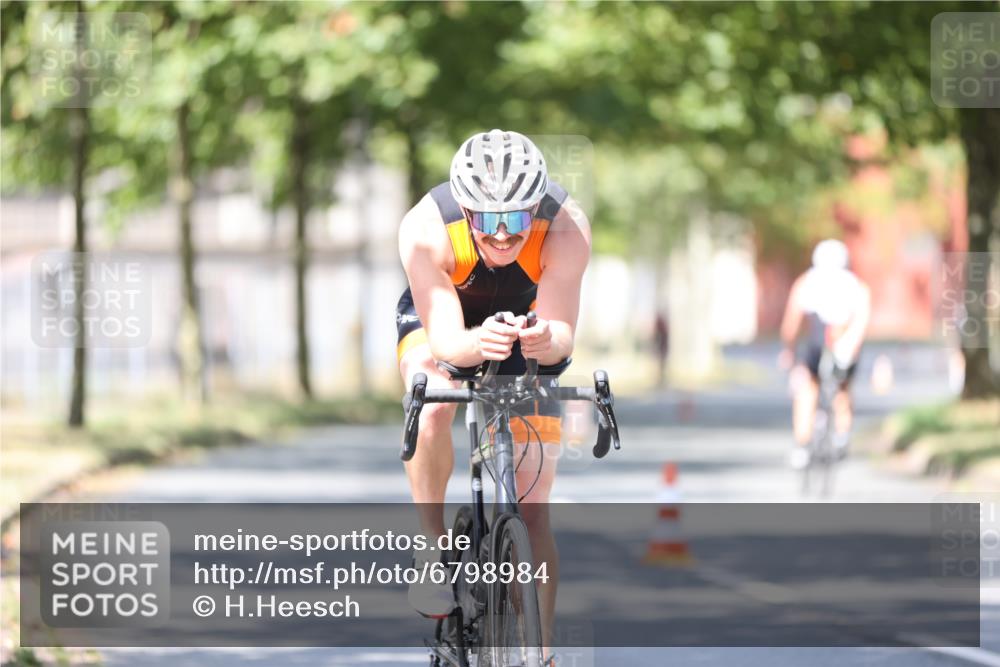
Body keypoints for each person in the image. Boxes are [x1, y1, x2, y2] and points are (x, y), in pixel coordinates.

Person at [396, 129, 591, 649]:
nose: (503, 235)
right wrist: (476, 344)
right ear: (464, 209)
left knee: (534, 505)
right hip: (445, 321)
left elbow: (563, 339)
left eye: (516, 219)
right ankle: (432, 545)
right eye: (487, 220)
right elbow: (446, 344)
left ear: (537, 211)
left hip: (526, 321)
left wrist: (545, 338)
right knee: (432, 396)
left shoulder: (567, 227)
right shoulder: (425, 228)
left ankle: (540, 648)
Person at [779, 239, 871, 469]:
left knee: (807, 390)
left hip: (817, 342)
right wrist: (851, 348)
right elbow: (862, 321)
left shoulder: (806, 282)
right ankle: (842, 434)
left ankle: (802, 444)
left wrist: (788, 351)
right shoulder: (856, 285)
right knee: (842, 389)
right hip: (843, 341)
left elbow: (791, 323)